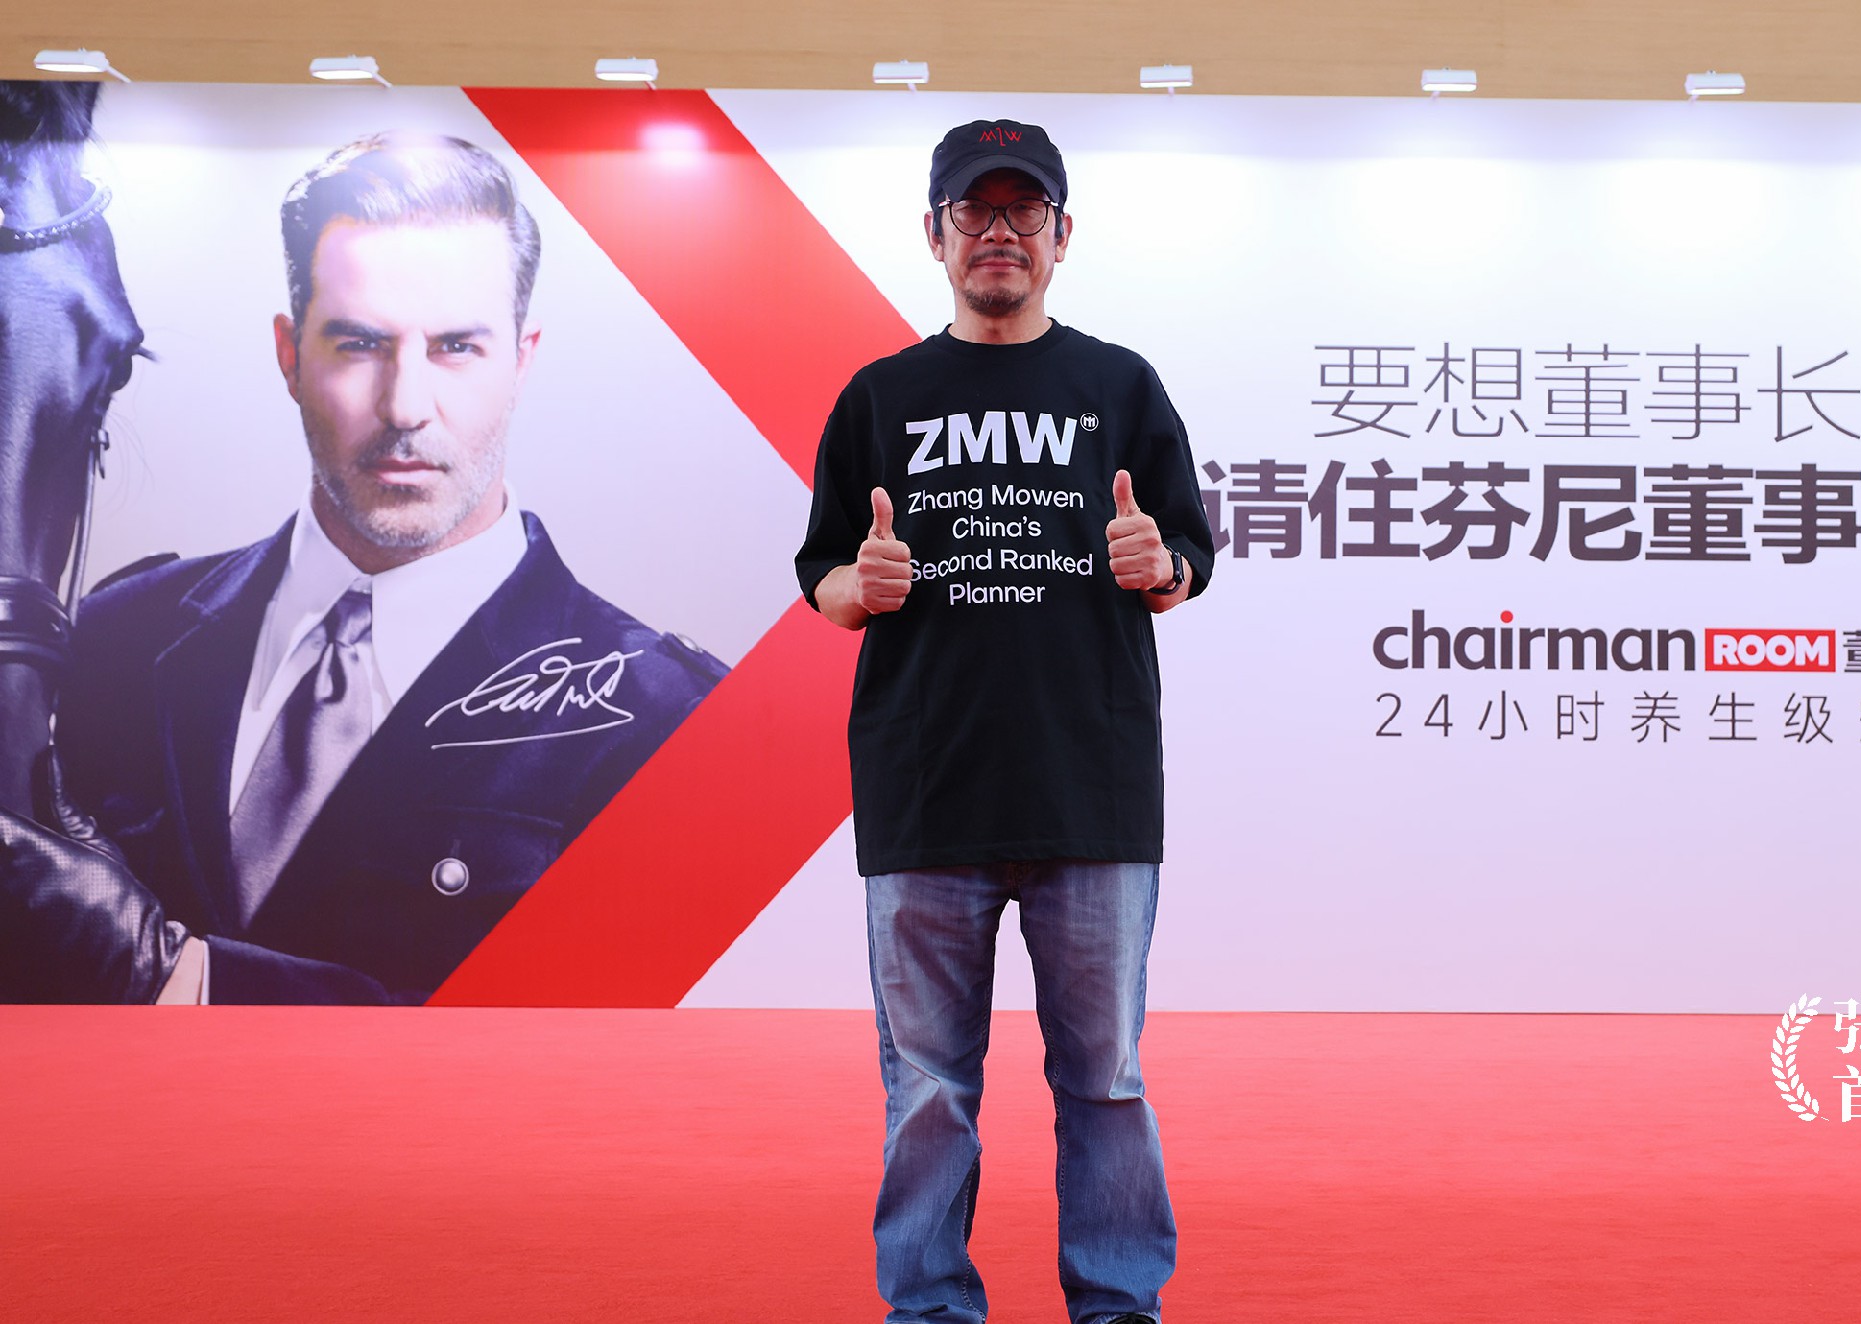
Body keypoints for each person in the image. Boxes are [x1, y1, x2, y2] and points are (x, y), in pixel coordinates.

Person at [0, 132, 722, 1005]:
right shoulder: (119, 636)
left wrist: (182, 977)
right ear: (289, 356)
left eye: (456, 347)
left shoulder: (667, 722)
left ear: (521, 361)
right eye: (359, 344)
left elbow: (591, 1061)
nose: (405, 407)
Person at [791, 119, 1212, 1324]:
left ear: (1062, 236)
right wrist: (857, 585)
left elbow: (1186, 557)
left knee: (1107, 1078)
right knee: (927, 1088)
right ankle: (929, 1306)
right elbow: (822, 573)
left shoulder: (1121, 388)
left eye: (1025, 212)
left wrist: (1158, 563)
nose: (999, 233)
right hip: (927, 792)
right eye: (974, 211)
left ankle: (1117, 1303)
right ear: (934, 235)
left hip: (1093, 791)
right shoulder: (881, 396)